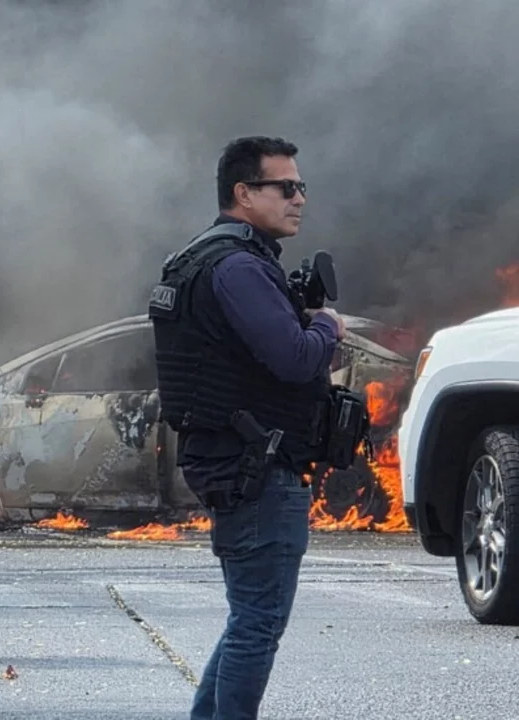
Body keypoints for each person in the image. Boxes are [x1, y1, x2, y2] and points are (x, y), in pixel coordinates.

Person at [147, 136, 346, 719]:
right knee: (258, 623)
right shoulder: (238, 267)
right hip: (259, 469)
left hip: (239, 462)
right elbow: (295, 358)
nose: (299, 198)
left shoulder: (207, 257)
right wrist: (327, 326)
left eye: (301, 187)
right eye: (285, 187)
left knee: (249, 619)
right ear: (243, 192)